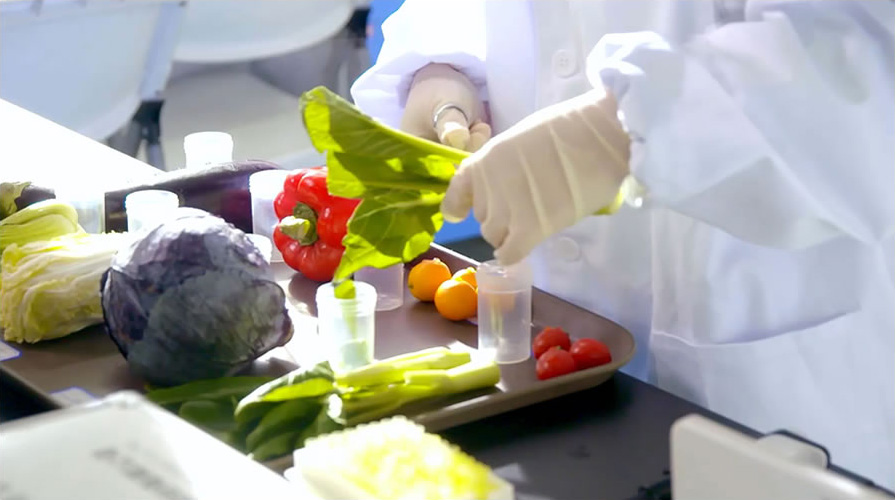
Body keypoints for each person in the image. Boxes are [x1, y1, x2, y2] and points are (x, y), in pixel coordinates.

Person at [351, 0, 895, 488]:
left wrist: (630, 128)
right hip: (552, 360)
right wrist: (443, 67)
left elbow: (861, 50)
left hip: (760, 350)